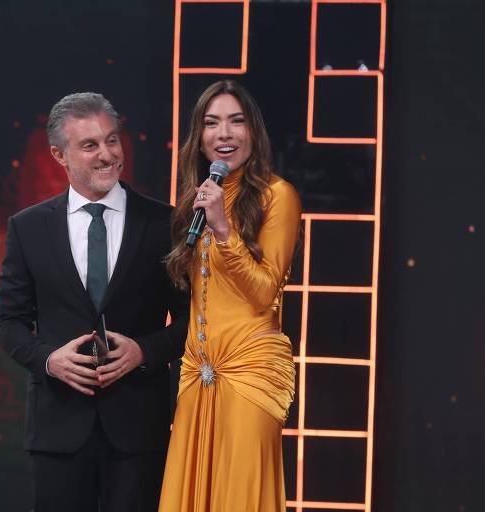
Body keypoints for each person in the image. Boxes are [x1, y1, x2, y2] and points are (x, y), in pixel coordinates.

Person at [0, 91, 189, 512]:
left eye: (112, 140)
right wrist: (48, 359)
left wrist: (144, 351)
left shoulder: (165, 224)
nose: (107, 155)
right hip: (58, 430)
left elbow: (196, 321)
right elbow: (8, 322)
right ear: (58, 155)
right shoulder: (27, 228)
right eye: (90, 145)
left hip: (139, 430)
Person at [159, 80, 301, 511]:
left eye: (236, 121)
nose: (224, 133)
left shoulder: (278, 196)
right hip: (196, 371)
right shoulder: (196, 201)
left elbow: (263, 293)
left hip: (250, 369)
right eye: (212, 123)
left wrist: (224, 228)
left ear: (253, 133)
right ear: (199, 139)